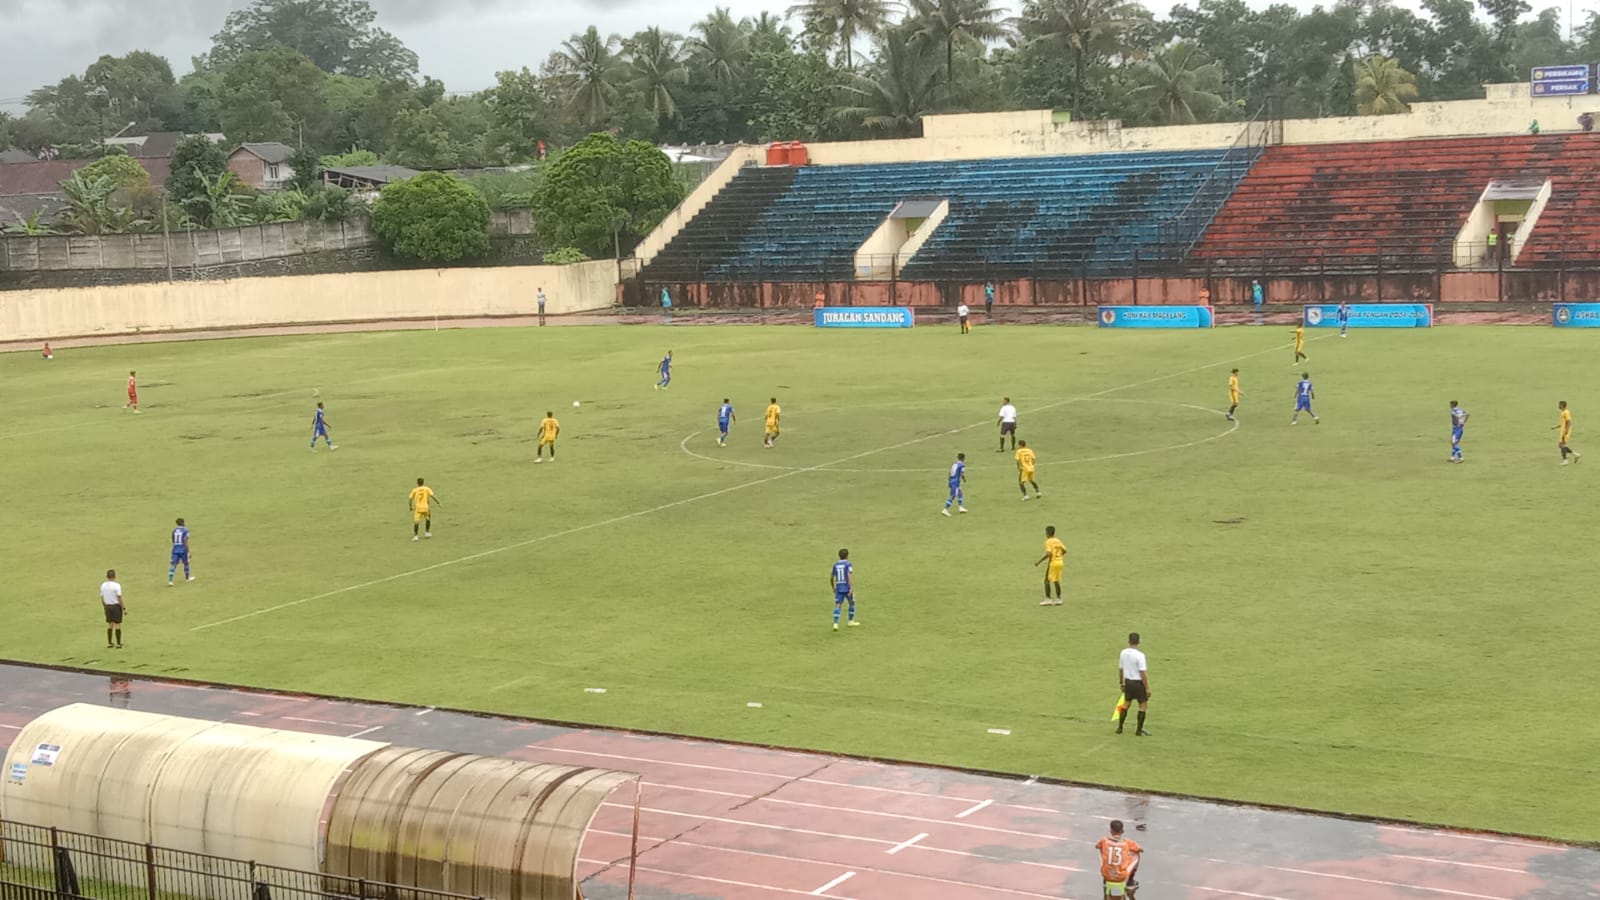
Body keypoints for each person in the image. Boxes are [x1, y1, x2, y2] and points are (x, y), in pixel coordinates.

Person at [1095, 820, 1143, 898]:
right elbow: (1140, 849)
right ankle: (1130, 881)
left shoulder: (1104, 840)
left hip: (1106, 874)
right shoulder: (1127, 842)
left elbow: (1097, 846)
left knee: (1102, 850)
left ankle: (1105, 880)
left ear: (1110, 831)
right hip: (1121, 876)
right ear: (1123, 831)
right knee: (1136, 855)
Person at [1117, 632, 1150, 736]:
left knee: (1126, 703)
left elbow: (1121, 669)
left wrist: (1121, 682)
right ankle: (1139, 730)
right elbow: (1142, 673)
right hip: (1138, 683)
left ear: (1129, 641)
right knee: (1143, 705)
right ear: (1139, 642)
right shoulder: (1140, 656)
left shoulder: (1123, 653)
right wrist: (1147, 688)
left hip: (1128, 682)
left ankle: (1120, 727)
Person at [1034, 524, 1065, 605]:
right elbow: (1064, 550)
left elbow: (1048, 553)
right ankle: (1059, 599)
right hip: (1060, 562)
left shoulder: (1048, 541)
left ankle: (1048, 599)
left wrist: (1039, 561)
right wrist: (1059, 556)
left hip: (1053, 563)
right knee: (1056, 580)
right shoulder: (1057, 540)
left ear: (1047, 533)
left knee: (1047, 580)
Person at [830, 548, 857, 631]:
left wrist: (833, 587)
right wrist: (851, 587)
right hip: (846, 586)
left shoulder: (835, 565)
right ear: (847, 555)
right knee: (852, 602)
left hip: (839, 587)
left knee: (838, 604)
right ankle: (850, 621)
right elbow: (849, 575)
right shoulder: (848, 564)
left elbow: (831, 577)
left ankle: (835, 624)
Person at [100, 569, 125, 649]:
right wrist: (123, 607)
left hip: (107, 606)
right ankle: (118, 643)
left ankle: (110, 643)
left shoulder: (103, 585)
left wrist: (104, 607)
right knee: (117, 624)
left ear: (107, 576)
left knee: (110, 624)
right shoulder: (117, 585)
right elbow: (119, 597)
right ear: (114, 576)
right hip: (115, 606)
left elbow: (102, 597)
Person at [167, 517, 193, 586]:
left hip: (175, 549)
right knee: (186, 563)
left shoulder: (174, 531)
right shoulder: (185, 530)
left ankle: (170, 581)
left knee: (173, 564)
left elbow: (173, 540)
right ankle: (187, 578)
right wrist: (188, 551)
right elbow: (185, 541)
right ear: (183, 523)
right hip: (183, 549)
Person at [1555, 400, 1581, 465]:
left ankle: (1565, 460)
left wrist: (1566, 431)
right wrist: (1556, 427)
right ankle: (1575, 455)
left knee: (1562, 445)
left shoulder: (1566, 412)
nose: (1558, 406)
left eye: (1559, 405)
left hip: (1565, 431)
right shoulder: (1563, 412)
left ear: (1562, 405)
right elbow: (1564, 423)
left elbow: (1569, 422)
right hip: (1563, 431)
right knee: (1561, 446)